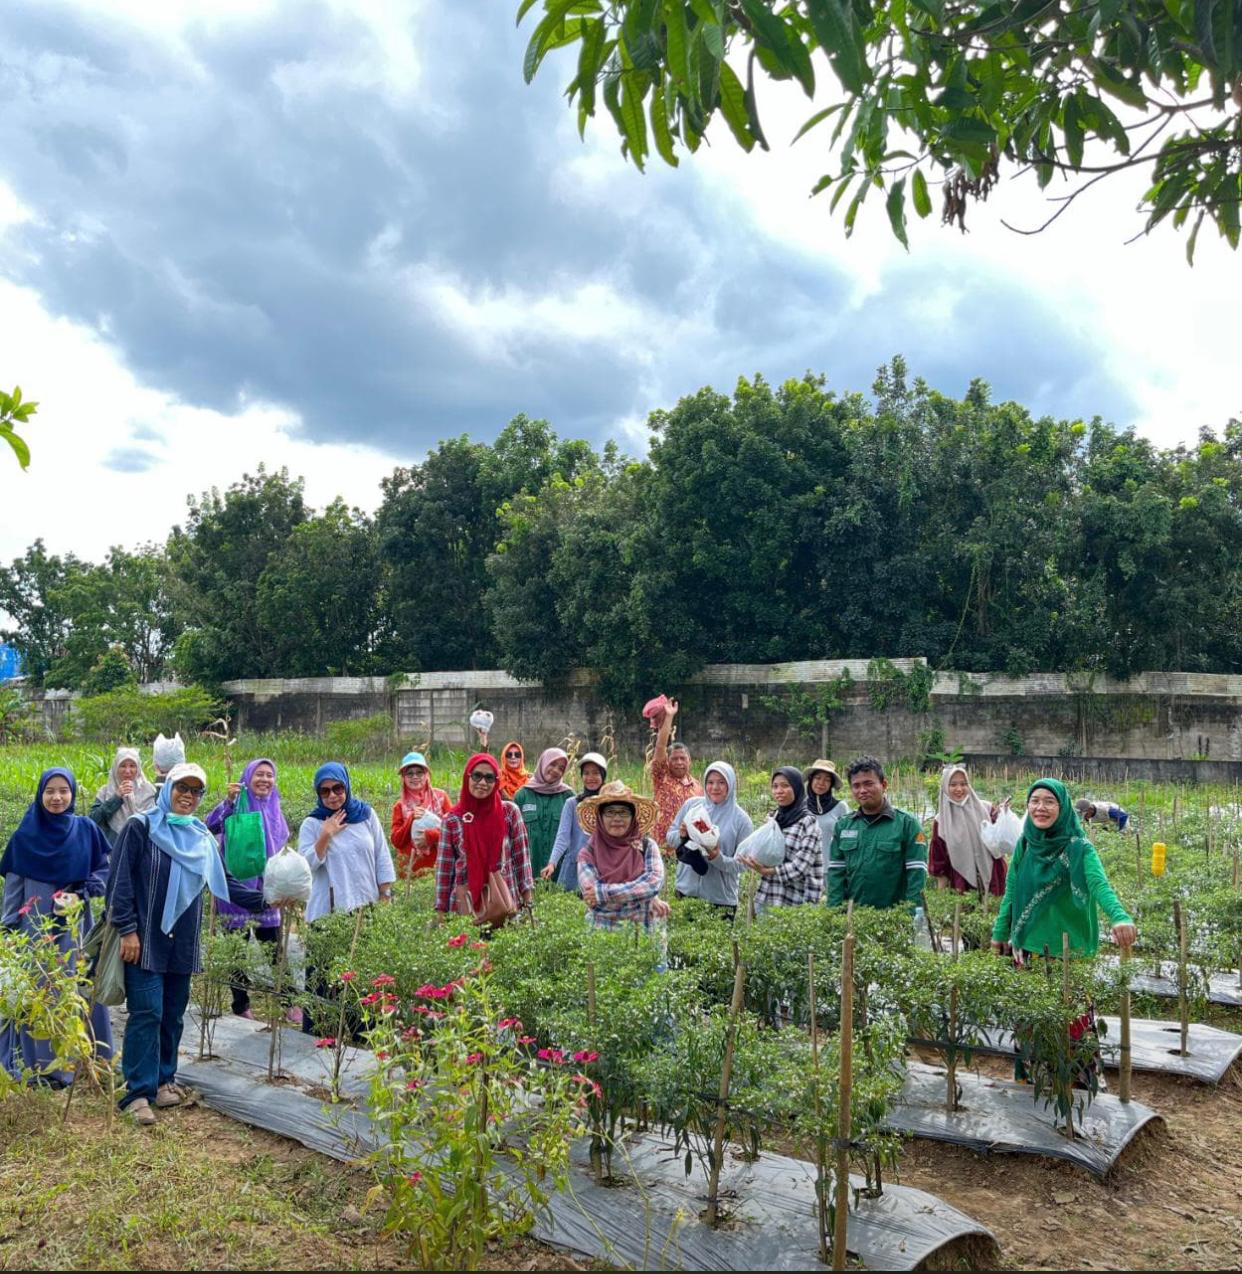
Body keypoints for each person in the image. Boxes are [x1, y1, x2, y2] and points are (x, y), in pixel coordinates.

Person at [108, 763, 275, 1125]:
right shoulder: (141, 827)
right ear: (168, 788)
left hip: (182, 941)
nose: (188, 795)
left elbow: (226, 883)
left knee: (172, 1013)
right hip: (145, 938)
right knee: (147, 1011)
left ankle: (165, 1079)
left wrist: (267, 900)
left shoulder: (201, 837)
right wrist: (127, 930)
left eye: (196, 791)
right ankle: (138, 1091)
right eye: (181, 787)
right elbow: (119, 881)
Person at [992, 779, 1136, 1087]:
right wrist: (1000, 929)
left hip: (1068, 955)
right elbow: (1012, 889)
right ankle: (1033, 1085)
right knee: (1030, 1020)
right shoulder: (1026, 844)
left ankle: (1077, 1090)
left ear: (1063, 807)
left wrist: (1119, 917)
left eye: (1048, 802)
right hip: (1027, 949)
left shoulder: (1079, 847)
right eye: (1034, 801)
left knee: (1074, 1025)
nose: (1040, 808)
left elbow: (1099, 885)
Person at [0, 768, 113, 1087]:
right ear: (40, 794)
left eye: (63, 790)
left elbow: (105, 871)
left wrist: (82, 891)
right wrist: (9, 934)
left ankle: (89, 1061)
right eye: (50, 791)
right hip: (35, 930)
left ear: (73, 794)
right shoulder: (24, 837)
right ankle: (46, 1070)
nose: (57, 797)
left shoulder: (86, 829)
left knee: (79, 988)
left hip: (76, 927)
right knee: (41, 993)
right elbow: (13, 890)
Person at [204, 758, 294, 1022]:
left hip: (267, 889)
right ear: (247, 778)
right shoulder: (234, 804)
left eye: (269, 775)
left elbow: (282, 845)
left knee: (274, 948)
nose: (265, 780)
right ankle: (241, 1005)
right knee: (237, 951)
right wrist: (229, 803)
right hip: (234, 890)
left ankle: (289, 1002)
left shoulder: (275, 808)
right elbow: (210, 827)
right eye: (259, 774)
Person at [435, 753, 533, 919]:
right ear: (468, 778)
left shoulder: (509, 812)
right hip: (465, 907)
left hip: (505, 904)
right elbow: (444, 871)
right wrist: (440, 914)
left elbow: (521, 861)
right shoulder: (452, 819)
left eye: (489, 778)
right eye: (477, 776)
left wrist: (528, 905)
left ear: (496, 782)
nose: (482, 783)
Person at [826, 756, 928, 910]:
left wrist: (912, 918)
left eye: (868, 784)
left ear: (884, 784)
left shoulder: (907, 824)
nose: (862, 790)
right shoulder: (843, 826)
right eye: (856, 786)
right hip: (854, 919)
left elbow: (916, 877)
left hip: (894, 921)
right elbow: (835, 876)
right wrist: (833, 915)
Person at [299, 763, 396, 923]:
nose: (332, 795)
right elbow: (305, 867)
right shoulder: (312, 823)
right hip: (327, 913)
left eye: (338, 788)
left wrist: (385, 894)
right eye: (325, 791)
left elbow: (382, 855)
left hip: (367, 906)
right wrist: (325, 836)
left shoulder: (366, 814)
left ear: (346, 786)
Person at [576, 781, 668, 932]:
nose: (617, 818)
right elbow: (591, 896)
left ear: (633, 817)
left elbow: (652, 883)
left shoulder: (646, 846)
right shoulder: (588, 853)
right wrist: (645, 897)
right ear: (600, 817)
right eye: (610, 812)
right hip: (603, 936)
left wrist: (602, 893)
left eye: (624, 812)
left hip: (646, 934)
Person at [667, 761, 754, 917]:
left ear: (731, 784)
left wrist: (717, 858)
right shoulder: (692, 806)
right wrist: (681, 835)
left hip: (720, 899)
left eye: (722, 782)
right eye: (710, 782)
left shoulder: (741, 820)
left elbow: (743, 865)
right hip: (686, 892)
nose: (715, 787)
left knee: (718, 941)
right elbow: (670, 838)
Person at [739, 768, 823, 911]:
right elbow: (763, 852)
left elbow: (800, 868)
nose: (779, 790)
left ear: (796, 788)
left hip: (796, 904)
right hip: (768, 896)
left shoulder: (808, 822)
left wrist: (768, 871)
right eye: (775, 786)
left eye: (785, 785)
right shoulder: (773, 819)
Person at [928, 765, 1010, 897]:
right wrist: (941, 901)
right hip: (962, 885)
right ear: (944, 787)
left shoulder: (986, 809)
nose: (959, 789)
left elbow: (1003, 842)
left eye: (963, 784)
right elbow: (939, 863)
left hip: (994, 878)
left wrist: (1003, 817)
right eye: (953, 784)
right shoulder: (941, 822)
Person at [541, 752, 608, 892]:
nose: (590, 778)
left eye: (595, 773)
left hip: (603, 869)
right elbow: (562, 837)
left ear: (603, 775)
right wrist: (552, 863)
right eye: (586, 773)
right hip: (574, 869)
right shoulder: (572, 803)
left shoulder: (610, 804)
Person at [513, 748, 574, 879]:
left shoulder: (568, 797)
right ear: (543, 763)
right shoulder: (522, 796)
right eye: (552, 764)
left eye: (561, 768)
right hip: (528, 876)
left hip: (559, 877)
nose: (556, 770)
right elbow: (513, 837)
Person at [389, 751, 451, 879]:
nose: (415, 777)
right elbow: (396, 841)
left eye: (419, 772)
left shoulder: (441, 798)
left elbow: (455, 830)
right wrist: (411, 819)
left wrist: (431, 835)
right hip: (409, 872)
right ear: (403, 778)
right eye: (409, 773)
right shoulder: (400, 806)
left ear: (427, 775)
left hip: (438, 870)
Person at [650, 698, 702, 844]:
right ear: (668, 761)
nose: (679, 762)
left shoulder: (698, 787)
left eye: (682, 758)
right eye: (674, 759)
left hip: (686, 850)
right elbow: (660, 746)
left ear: (689, 760)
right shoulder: (662, 777)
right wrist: (669, 717)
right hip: (661, 848)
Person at [89, 747, 158, 848]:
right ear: (116, 768)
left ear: (138, 768)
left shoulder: (149, 791)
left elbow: (157, 822)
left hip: (143, 850)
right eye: (123, 766)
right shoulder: (105, 792)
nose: (128, 771)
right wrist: (116, 798)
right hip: (113, 851)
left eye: (132, 766)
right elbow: (92, 821)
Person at [804, 759, 849, 866]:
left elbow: (847, 840)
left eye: (827, 780)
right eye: (818, 778)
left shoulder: (840, 807)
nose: (821, 783)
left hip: (831, 870)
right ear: (811, 780)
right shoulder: (800, 807)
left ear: (831, 784)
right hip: (805, 871)